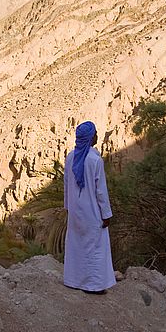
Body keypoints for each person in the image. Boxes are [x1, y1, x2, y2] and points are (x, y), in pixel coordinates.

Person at [63, 121, 116, 294]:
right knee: (95, 248)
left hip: (75, 211)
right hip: (92, 211)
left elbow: (66, 185)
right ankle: (94, 285)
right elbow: (101, 191)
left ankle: (74, 280)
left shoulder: (70, 157)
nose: (97, 136)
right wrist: (106, 213)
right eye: (95, 134)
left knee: (76, 245)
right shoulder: (94, 160)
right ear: (90, 137)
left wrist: (68, 206)